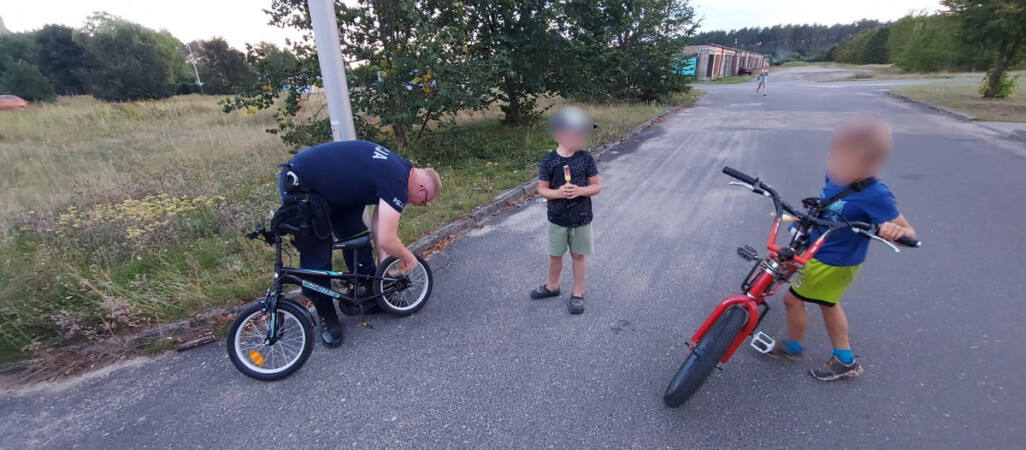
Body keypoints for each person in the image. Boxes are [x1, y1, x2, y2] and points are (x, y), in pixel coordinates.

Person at [764, 117, 916, 380]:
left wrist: (895, 231)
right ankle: (838, 357)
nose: (833, 165)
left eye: (843, 162)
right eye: (833, 157)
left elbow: (908, 232)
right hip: (818, 250)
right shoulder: (837, 175)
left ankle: (801, 349)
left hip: (834, 262)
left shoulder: (876, 194)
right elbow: (829, 202)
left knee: (797, 301)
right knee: (826, 303)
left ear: (871, 166)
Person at [278, 140, 441, 347]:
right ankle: (326, 314)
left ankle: (369, 294)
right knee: (317, 252)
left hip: (336, 191)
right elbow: (388, 239)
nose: (417, 204)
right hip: (303, 184)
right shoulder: (397, 181)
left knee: (358, 238)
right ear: (421, 188)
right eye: (423, 201)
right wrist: (408, 258)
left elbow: (379, 225)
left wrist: (383, 267)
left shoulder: (399, 169)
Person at [528, 107, 601, 314]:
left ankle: (578, 292)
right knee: (555, 255)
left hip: (581, 217)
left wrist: (579, 190)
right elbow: (542, 189)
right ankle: (553, 286)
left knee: (579, 255)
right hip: (557, 218)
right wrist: (559, 193)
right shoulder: (549, 160)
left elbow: (596, 186)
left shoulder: (586, 158)